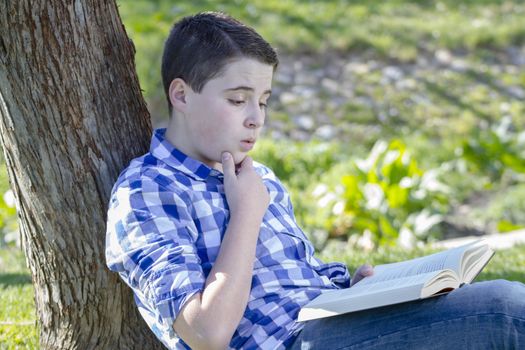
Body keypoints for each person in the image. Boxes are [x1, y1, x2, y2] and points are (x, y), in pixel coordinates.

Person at [105, 11, 525, 350]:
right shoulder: (147, 192)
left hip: (331, 323)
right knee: (502, 311)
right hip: (292, 342)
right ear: (181, 95)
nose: (256, 119)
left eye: (263, 101)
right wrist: (247, 213)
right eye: (237, 100)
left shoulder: (255, 175)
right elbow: (206, 334)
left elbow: (292, 275)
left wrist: (354, 288)